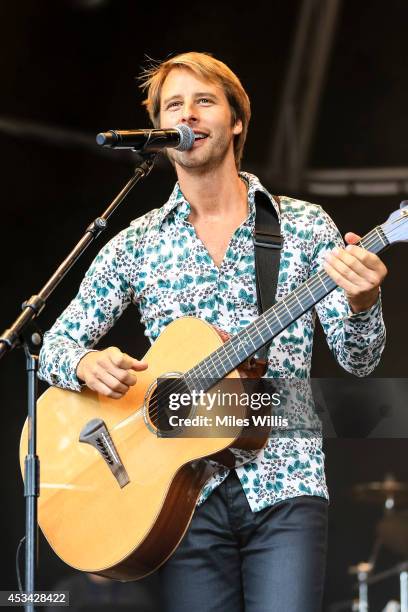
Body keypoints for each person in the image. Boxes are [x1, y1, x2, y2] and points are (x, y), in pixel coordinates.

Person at [38, 52, 387, 611]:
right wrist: (82, 364)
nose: (189, 115)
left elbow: (359, 360)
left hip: (285, 484)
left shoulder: (302, 226)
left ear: (237, 120)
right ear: (160, 130)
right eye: (174, 105)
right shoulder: (137, 242)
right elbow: (52, 345)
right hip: (180, 496)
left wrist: (364, 301)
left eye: (204, 101)